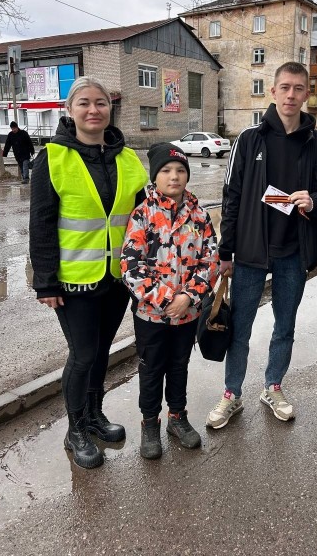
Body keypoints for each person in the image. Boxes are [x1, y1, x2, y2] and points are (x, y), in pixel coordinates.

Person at [206, 61, 317, 429]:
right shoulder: (250, 140)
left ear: (307, 94)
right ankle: (232, 394)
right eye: (285, 87)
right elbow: (231, 196)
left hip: (293, 251)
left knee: (285, 325)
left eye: (299, 88)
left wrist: (314, 200)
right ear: (273, 91)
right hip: (250, 250)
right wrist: (225, 252)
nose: (292, 95)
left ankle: (273, 386)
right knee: (241, 327)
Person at [29, 76, 148, 469]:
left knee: (100, 355)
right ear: (70, 111)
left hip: (116, 279)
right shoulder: (53, 157)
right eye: (84, 103)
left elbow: (145, 218)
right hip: (73, 280)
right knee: (82, 356)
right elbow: (42, 224)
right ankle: (75, 429)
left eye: (100, 102)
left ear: (110, 109)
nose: (93, 109)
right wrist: (44, 281)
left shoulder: (128, 158)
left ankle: (94, 415)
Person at [120, 143, 219, 459]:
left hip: (187, 315)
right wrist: (166, 301)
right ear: (155, 176)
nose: (174, 176)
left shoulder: (199, 216)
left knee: (179, 367)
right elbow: (131, 266)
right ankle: (150, 424)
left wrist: (189, 297)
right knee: (151, 370)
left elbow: (210, 259)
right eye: (166, 171)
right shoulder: (143, 215)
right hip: (151, 316)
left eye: (180, 170)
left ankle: (178, 417)